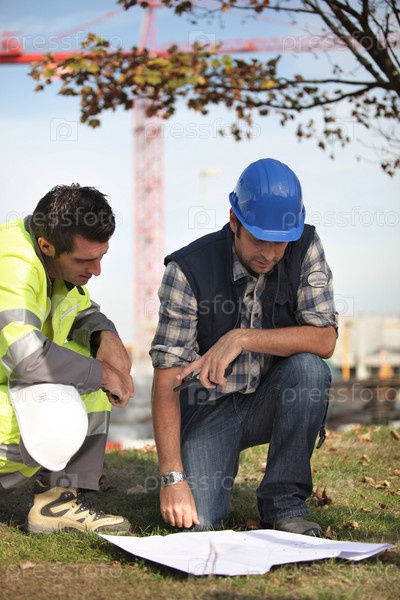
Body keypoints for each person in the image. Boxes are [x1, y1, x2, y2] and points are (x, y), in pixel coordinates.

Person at [150, 158, 338, 537]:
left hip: (271, 397)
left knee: (309, 370)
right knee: (199, 524)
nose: (269, 252)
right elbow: (168, 377)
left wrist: (241, 337)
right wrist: (172, 478)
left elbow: (325, 339)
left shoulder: (305, 246)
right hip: (209, 409)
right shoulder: (186, 271)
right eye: (258, 239)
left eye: (279, 241)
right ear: (234, 221)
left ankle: (284, 505)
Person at [0, 184, 134, 535]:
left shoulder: (54, 265)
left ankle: (57, 503)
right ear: (47, 246)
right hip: (15, 376)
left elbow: (81, 310)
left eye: (101, 256)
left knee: (87, 370)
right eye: (84, 261)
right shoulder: (13, 264)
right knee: (88, 379)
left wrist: (105, 335)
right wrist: (103, 374)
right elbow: (27, 357)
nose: (97, 270)